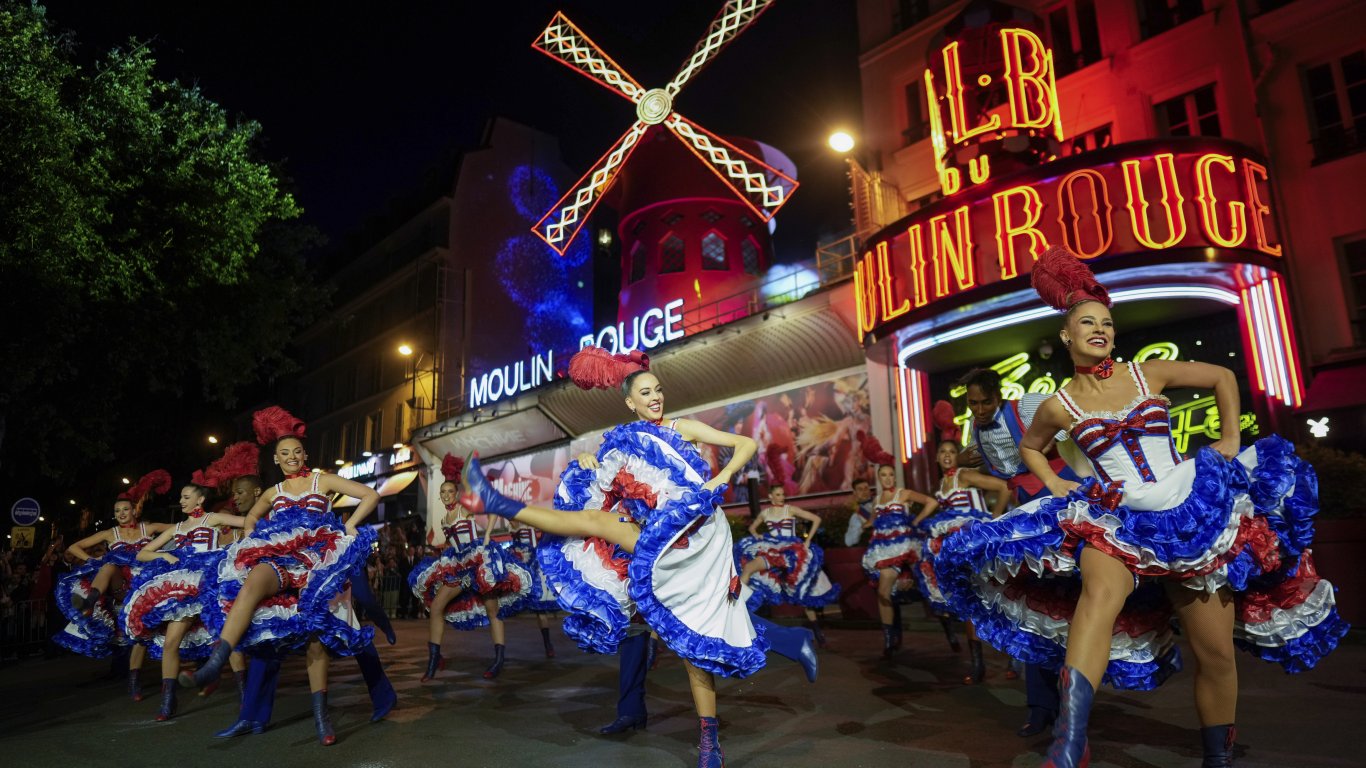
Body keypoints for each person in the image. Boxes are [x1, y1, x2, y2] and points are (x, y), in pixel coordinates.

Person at [936, 246, 1349, 768]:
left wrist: (1225, 439)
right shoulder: (1057, 405)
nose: (1100, 330)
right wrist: (1052, 483)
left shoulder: (1145, 374)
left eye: (1106, 323)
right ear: (1066, 335)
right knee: (1099, 593)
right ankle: (1069, 741)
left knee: (1215, 654)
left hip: (1187, 511)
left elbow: (1222, 378)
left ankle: (1216, 758)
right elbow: (1029, 446)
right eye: (1088, 322)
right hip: (1115, 517)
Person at [459, 347, 785, 768]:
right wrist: (585, 457)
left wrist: (722, 476)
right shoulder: (623, 440)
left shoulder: (680, 426)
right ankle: (493, 500)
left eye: (658, 390)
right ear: (629, 402)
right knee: (596, 520)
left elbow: (745, 442)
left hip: (699, 537)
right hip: (655, 539)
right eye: (645, 393)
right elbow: (605, 487)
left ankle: (709, 739)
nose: (655, 398)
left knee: (692, 653)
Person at [182, 406, 384, 747]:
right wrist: (249, 534)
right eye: (284, 454)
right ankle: (216, 662)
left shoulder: (323, 480)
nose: (291, 458)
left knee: (316, 640)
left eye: (296, 452)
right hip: (280, 561)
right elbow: (251, 519)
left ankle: (322, 716)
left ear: (305, 454)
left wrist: (348, 526)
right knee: (252, 583)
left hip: (318, 564)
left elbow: (371, 495)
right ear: (276, 459)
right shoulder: (272, 492)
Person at [954, 367, 1085, 737]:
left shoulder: (1026, 407)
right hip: (1025, 514)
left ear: (999, 395)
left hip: (1062, 501)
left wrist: (1041, 444)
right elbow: (1001, 471)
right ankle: (1041, 706)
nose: (979, 409)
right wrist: (966, 460)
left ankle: (1074, 705)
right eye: (972, 403)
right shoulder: (977, 433)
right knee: (1036, 608)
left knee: (1084, 599)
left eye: (985, 402)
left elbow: (1069, 430)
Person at [409, 454, 532, 681]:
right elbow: (453, 543)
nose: (446, 495)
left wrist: (486, 539)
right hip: (457, 566)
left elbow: (495, 507)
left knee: (492, 610)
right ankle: (434, 658)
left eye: (450, 492)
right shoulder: (445, 520)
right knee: (436, 607)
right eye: (442, 492)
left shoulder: (464, 509)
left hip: (478, 563)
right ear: (439, 496)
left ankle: (499, 659)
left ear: (456, 493)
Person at [128, 482, 244, 720]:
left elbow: (249, 522)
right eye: (181, 496)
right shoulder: (177, 527)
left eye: (186, 496)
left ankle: (246, 696)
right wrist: (169, 555)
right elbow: (142, 553)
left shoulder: (213, 518)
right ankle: (168, 699)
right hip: (183, 586)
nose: (181, 501)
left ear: (200, 500)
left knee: (226, 638)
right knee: (171, 642)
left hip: (211, 581)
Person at [55, 471, 171, 701]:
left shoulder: (149, 528)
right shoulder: (111, 533)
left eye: (125, 509)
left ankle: (134, 682)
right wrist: (92, 560)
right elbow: (75, 547)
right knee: (108, 565)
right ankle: (89, 604)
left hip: (147, 586)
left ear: (135, 509)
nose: (121, 514)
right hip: (121, 587)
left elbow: (181, 528)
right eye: (117, 511)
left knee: (140, 638)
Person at [915, 439, 1008, 684]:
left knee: (998, 598)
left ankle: (1015, 658)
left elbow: (1003, 487)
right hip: (955, 547)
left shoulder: (964, 475)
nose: (947, 455)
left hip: (975, 541)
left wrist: (996, 519)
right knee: (971, 601)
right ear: (936, 457)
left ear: (958, 456)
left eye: (952, 451)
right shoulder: (942, 484)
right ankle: (978, 663)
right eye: (942, 451)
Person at [859, 444, 939, 659]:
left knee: (928, 585)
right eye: (883, 475)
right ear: (879, 478)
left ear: (895, 477)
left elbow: (931, 502)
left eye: (891, 475)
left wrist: (915, 520)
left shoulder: (903, 494)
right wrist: (865, 523)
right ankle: (888, 641)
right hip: (882, 549)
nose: (887, 478)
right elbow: (873, 520)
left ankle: (947, 625)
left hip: (904, 546)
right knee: (883, 592)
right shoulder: (876, 500)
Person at [736, 486, 839, 646]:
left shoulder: (790, 509)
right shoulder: (765, 513)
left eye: (783, 494)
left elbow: (816, 519)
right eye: (778, 494)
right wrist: (756, 534)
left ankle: (817, 632)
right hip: (773, 549)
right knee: (749, 567)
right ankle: (737, 608)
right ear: (770, 496)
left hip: (791, 551)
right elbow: (752, 527)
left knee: (803, 593)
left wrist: (807, 540)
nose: (782, 497)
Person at [506, 519, 560, 659]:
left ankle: (548, 644)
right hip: (520, 564)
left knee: (539, 608)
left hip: (533, 563)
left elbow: (545, 526)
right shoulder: (509, 525)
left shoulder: (528, 522)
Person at [842, 477, 875, 547]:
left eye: (866, 488)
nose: (864, 491)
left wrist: (859, 510)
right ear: (854, 492)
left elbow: (876, 519)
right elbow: (849, 542)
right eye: (860, 489)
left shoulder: (878, 503)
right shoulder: (854, 515)